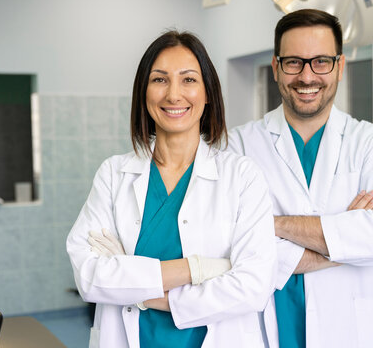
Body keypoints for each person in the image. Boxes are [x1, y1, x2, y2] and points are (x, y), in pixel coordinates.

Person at [66, 30, 275, 348]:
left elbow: (253, 287)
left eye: (189, 80)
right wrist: (200, 268)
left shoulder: (242, 177)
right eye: (160, 80)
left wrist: (138, 287)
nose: (174, 95)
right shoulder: (113, 174)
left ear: (208, 93)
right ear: (143, 92)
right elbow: (89, 277)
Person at [228, 9, 373, 348]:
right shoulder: (238, 144)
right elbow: (230, 239)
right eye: (294, 62)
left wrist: (271, 224)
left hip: (349, 328)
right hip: (266, 322)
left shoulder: (372, 142)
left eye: (321, 61)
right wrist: (346, 240)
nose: (307, 76)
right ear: (276, 67)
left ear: (340, 66)